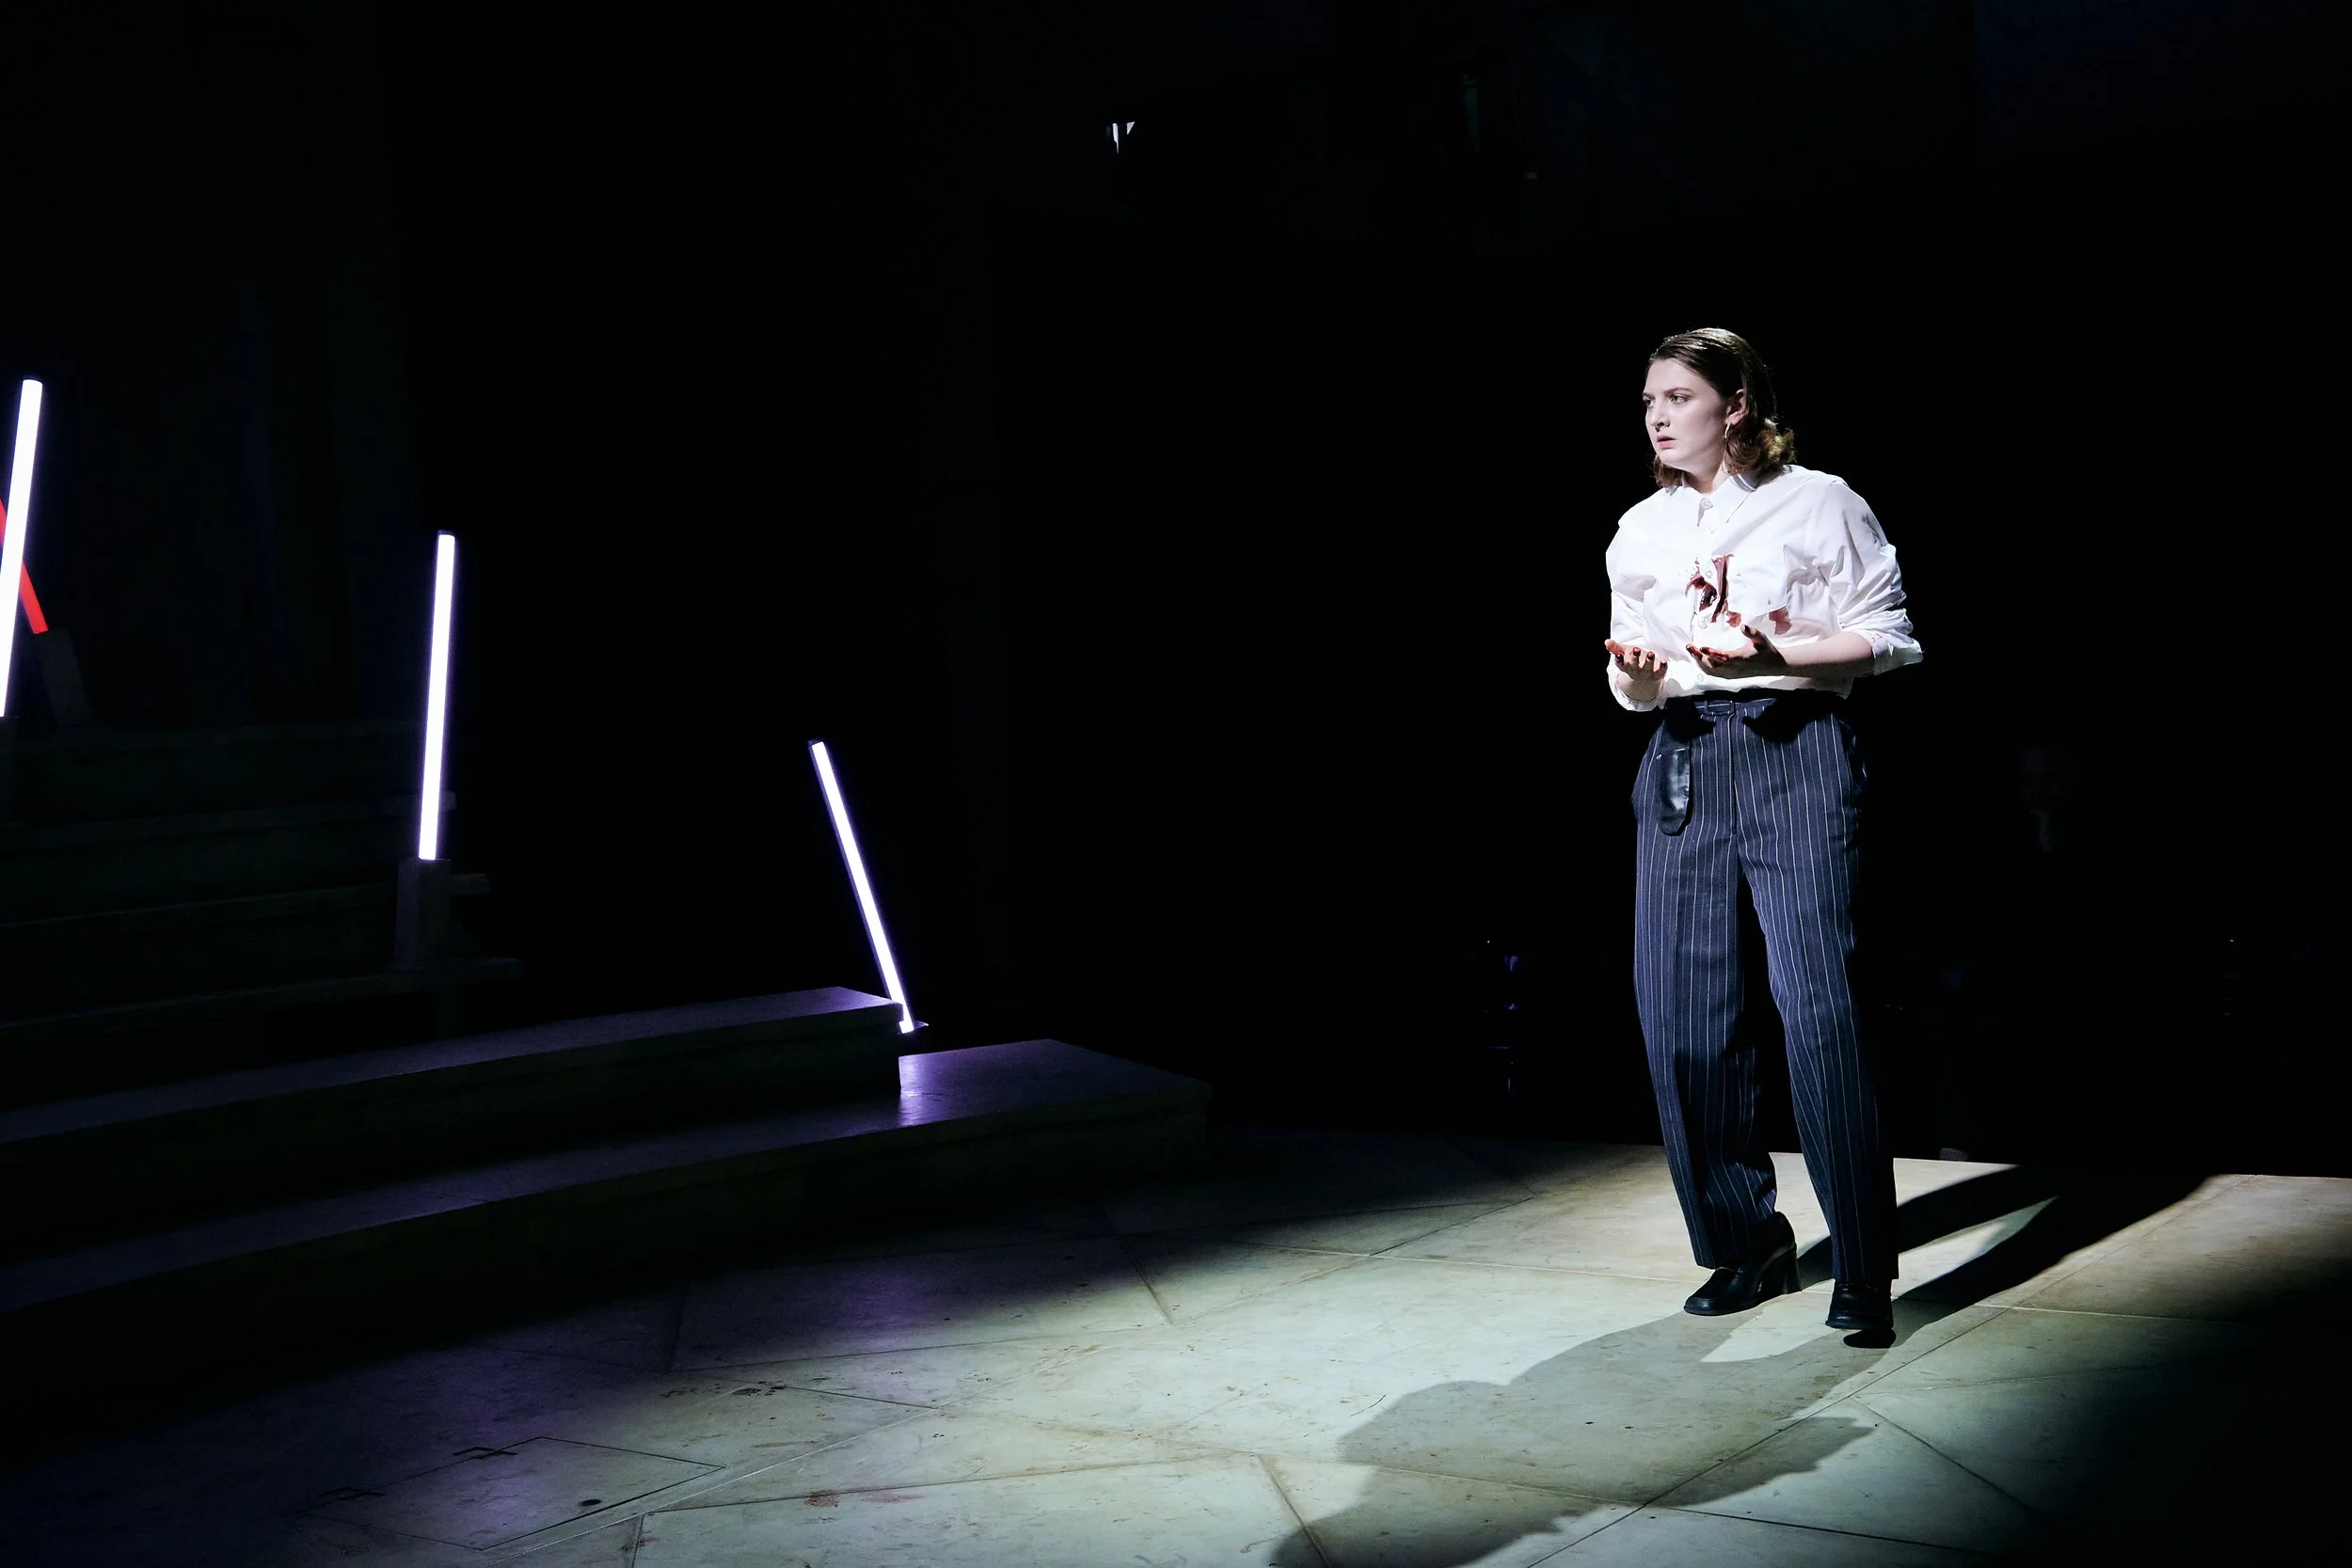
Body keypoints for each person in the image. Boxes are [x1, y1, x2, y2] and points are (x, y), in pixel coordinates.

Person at [1603, 327, 1922, 1337]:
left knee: (1820, 1010)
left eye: (1677, 396)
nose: (1656, 415)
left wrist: (1774, 656)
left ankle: (1862, 1265)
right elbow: (1630, 672)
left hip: (1795, 747)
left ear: (1735, 402)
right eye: (1648, 399)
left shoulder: (1820, 500)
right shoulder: (1639, 528)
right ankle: (1745, 1242)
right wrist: (1637, 677)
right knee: (1681, 1018)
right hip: (1684, 755)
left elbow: (1889, 635)